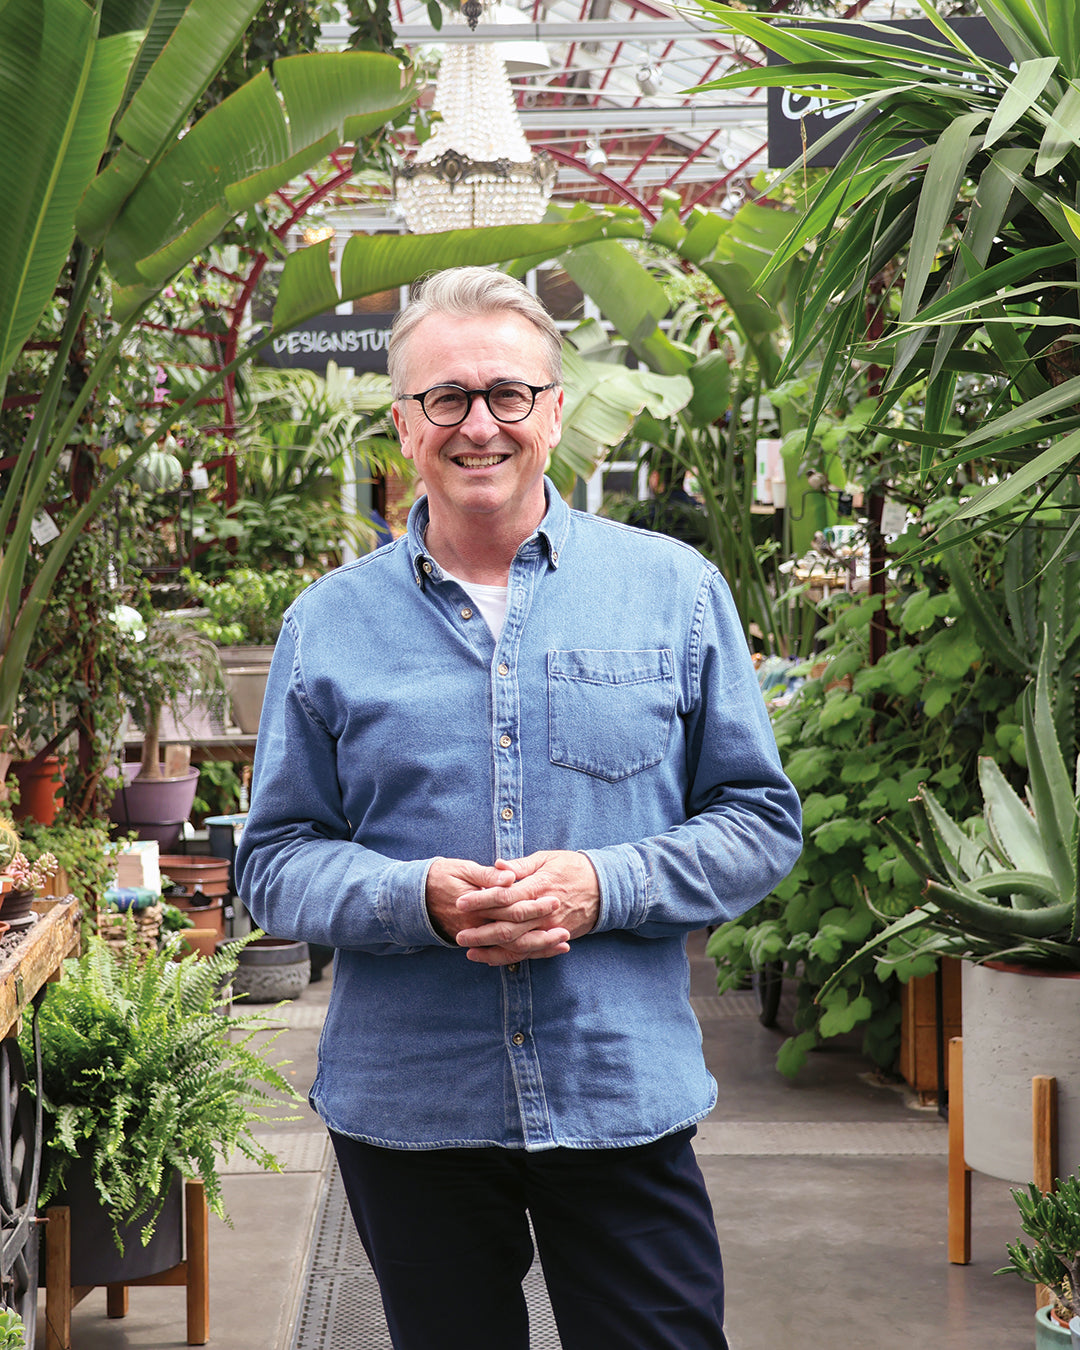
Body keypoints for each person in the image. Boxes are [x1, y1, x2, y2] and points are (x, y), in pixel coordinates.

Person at [235, 267, 802, 1350]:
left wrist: (606, 883)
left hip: (618, 1087)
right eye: (445, 397)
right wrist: (418, 899)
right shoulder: (328, 625)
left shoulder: (674, 592)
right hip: (413, 1106)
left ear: (554, 410)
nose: (477, 423)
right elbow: (274, 860)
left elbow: (756, 818)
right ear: (402, 425)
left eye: (506, 393)